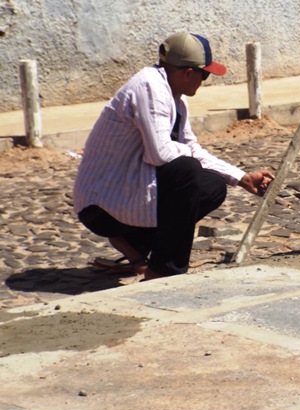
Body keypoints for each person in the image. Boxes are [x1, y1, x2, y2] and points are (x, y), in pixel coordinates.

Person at [73, 32, 275, 280]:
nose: (204, 81)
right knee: (187, 171)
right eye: (205, 75)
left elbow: (187, 147)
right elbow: (160, 154)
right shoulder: (150, 88)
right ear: (188, 73)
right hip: (102, 204)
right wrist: (188, 152)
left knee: (212, 186)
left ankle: (135, 245)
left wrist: (242, 178)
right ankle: (164, 271)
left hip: (129, 191)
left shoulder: (175, 97)